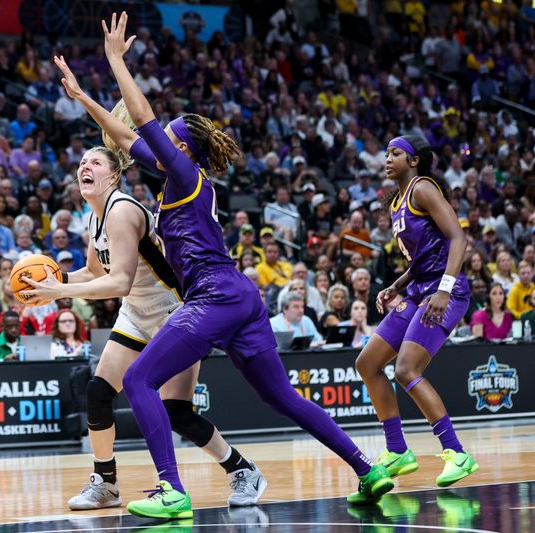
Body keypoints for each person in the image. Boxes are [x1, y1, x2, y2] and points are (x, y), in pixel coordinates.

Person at [47, 16, 391, 519]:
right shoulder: (176, 179)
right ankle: (368, 468)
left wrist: (117, 61)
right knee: (283, 398)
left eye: (164, 138)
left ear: (181, 147)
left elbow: (140, 119)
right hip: (239, 297)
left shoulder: (186, 172)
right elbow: (125, 138)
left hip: (213, 295)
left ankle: (172, 490)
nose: (153, 143)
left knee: (140, 381)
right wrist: (83, 98)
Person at [22, 133, 266, 507]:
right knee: (98, 393)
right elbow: (92, 272)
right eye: (82, 162)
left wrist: (59, 294)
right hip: (136, 313)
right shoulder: (96, 216)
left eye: (95, 163)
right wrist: (53, 281)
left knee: (176, 413)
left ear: (115, 176)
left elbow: (118, 280)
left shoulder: (122, 210)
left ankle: (242, 469)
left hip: (175, 311)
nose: (85, 166)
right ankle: (106, 484)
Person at [356, 135, 479, 493]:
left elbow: (458, 238)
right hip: (418, 288)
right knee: (367, 362)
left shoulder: (422, 188)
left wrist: (443, 288)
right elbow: (422, 258)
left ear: (414, 160)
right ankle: (397, 451)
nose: (387, 158)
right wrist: (396, 284)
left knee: (407, 368)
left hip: (445, 291)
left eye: (395, 153)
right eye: (387, 153)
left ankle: (456, 452)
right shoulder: (396, 202)